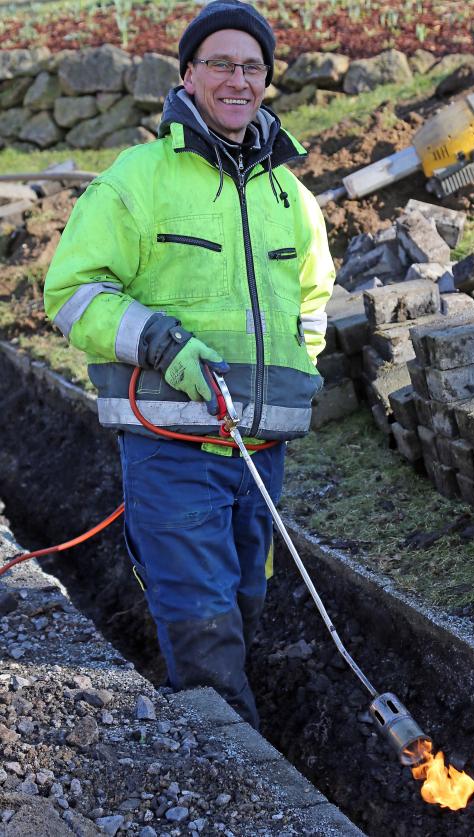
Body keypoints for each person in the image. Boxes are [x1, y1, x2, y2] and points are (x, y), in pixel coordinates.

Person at [44, 0, 335, 729]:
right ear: (187, 75)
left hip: (261, 455)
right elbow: (73, 293)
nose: (238, 79)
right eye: (221, 64)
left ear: (266, 80)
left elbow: (313, 300)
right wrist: (163, 345)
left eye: (252, 66)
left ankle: (236, 738)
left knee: (243, 602)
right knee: (202, 622)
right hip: (172, 453)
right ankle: (241, 779)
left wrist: (294, 378)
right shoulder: (137, 179)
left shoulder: (290, 197)